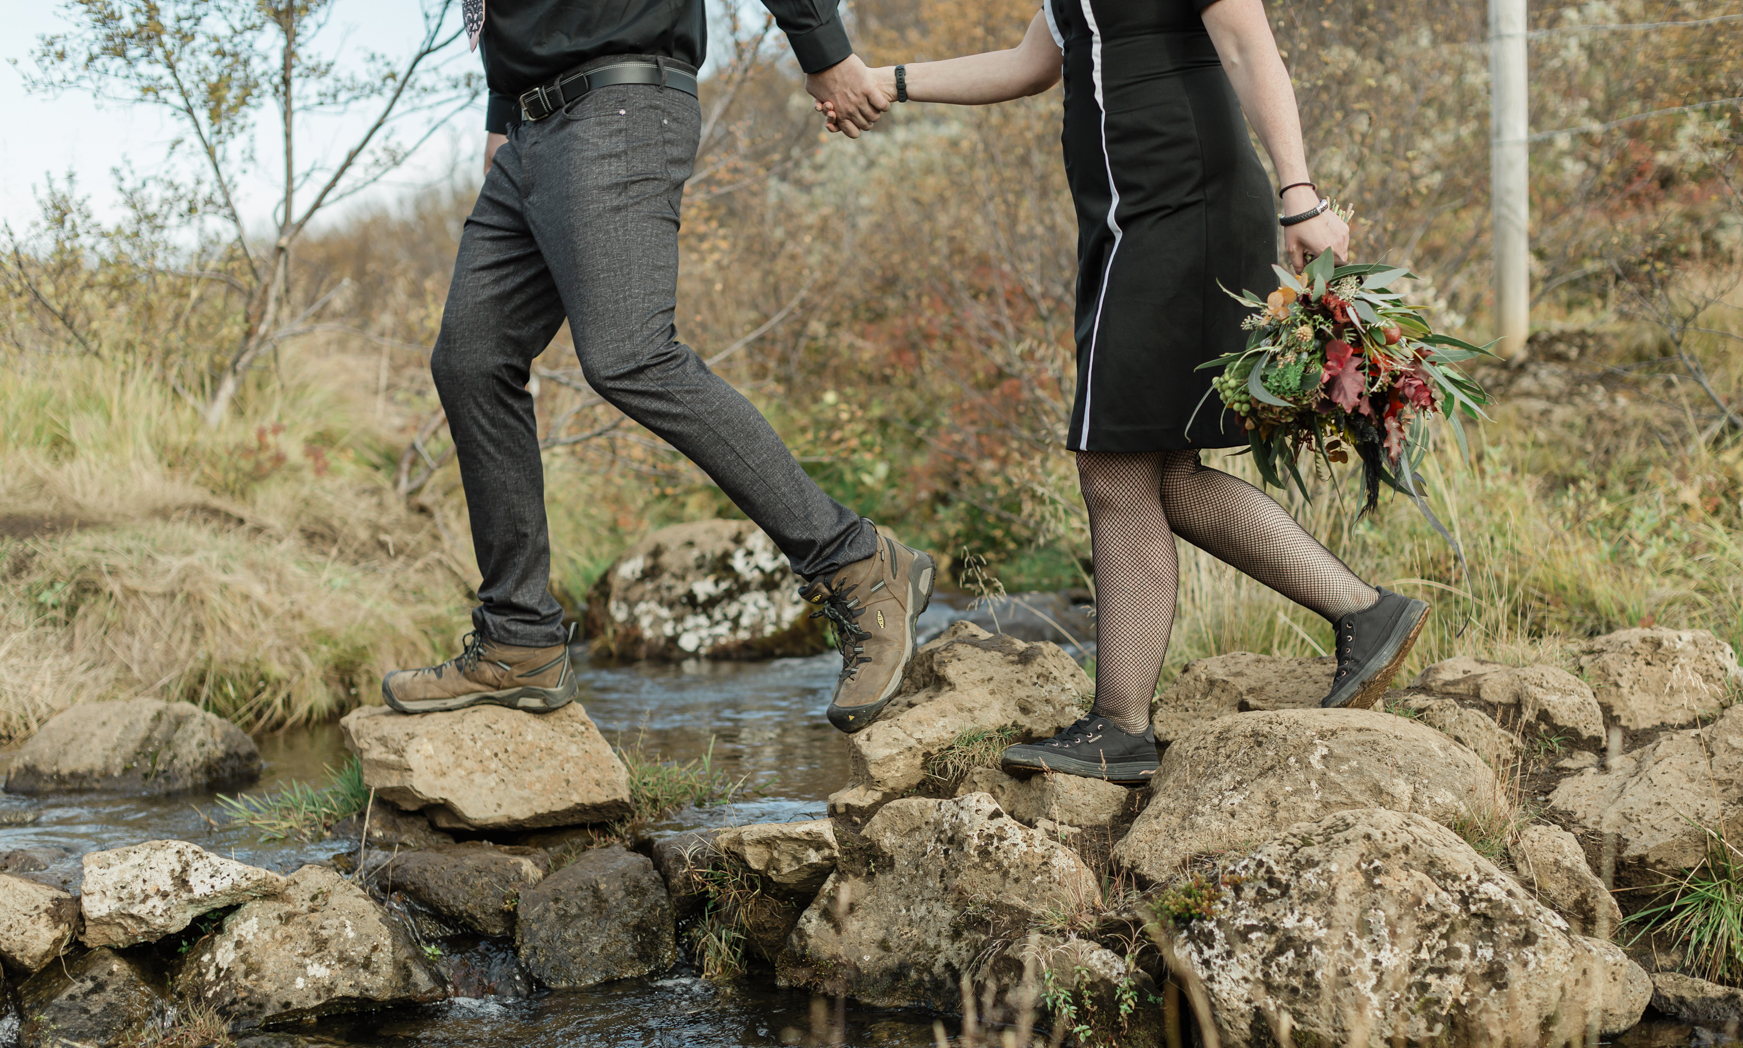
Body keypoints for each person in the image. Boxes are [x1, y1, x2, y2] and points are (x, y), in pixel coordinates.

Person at [827, 0, 1430, 781]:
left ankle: (1121, 724)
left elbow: (1249, 45)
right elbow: (1030, 64)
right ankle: (1362, 612)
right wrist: (883, 82)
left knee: (1113, 467)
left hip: (1182, 207)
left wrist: (1301, 196)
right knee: (1158, 471)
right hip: (1126, 220)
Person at [383, 0, 935, 735]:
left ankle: (858, 562)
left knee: (630, 355)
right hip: (529, 126)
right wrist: (500, 109)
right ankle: (519, 640)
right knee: (470, 359)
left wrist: (821, 49)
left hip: (618, 105)